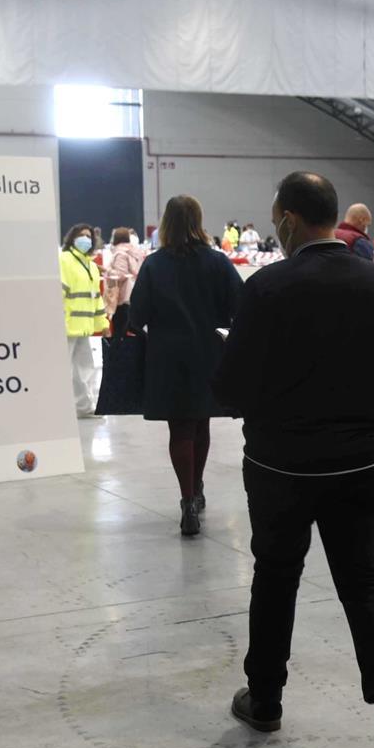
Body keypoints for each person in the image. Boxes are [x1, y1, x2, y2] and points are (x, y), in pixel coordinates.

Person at [213, 171, 374, 748]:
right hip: (362, 465)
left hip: (282, 468)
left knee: (276, 579)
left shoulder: (267, 288)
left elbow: (229, 388)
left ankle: (266, 699)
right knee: (364, 586)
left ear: (286, 218)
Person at [125, 196, 244, 537]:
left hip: (168, 357)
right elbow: (241, 305)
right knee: (202, 424)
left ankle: (187, 498)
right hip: (210, 355)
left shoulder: (154, 264)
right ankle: (197, 488)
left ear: (166, 223)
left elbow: (137, 317)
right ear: (199, 220)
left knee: (180, 430)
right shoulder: (218, 262)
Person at [59, 224, 107, 419]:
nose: (86, 239)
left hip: (83, 327)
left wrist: (102, 324)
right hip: (67, 325)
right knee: (63, 369)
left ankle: (83, 406)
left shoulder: (90, 266)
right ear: (72, 238)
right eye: (82, 235)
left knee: (84, 368)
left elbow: (96, 298)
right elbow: (59, 293)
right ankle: (59, 407)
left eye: (89, 236)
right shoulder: (65, 260)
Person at [100, 226, 147, 323]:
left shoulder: (120, 253)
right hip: (135, 293)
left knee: (120, 328)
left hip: (123, 295)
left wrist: (106, 270)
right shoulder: (136, 252)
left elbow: (120, 275)